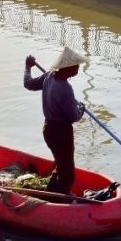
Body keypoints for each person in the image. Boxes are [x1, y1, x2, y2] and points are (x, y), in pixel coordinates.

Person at [23, 47, 88, 194]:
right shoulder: (65, 88)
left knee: (61, 164)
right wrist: (81, 110)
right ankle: (59, 198)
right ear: (67, 68)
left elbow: (28, 83)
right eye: (75, 66)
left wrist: (27, 67)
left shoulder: (49, 76)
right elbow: (73, 116)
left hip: (48, 130)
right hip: (61, 132)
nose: (78, 68)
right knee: (68, 175)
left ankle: (53, 189)